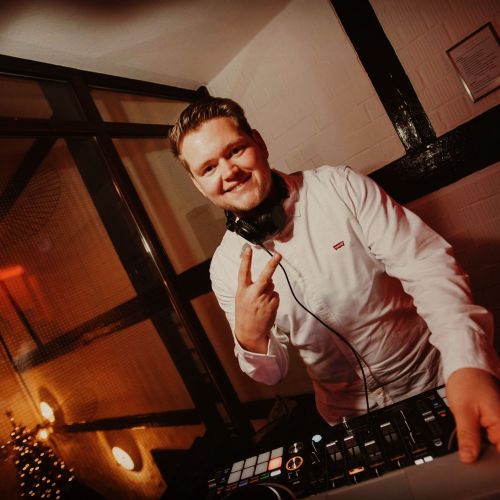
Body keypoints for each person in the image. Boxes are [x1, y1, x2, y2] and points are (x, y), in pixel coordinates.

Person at [169, 97, 500, 464]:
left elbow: (426, 266)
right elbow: (273, 374)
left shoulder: (339, 187)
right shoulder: (225, 267)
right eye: (208, 167)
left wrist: (467, 362)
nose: (228, 171)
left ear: (259, 143)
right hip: (349, 423)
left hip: (438, 380)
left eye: (235, 150)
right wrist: (250, 338)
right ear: (199, 185)